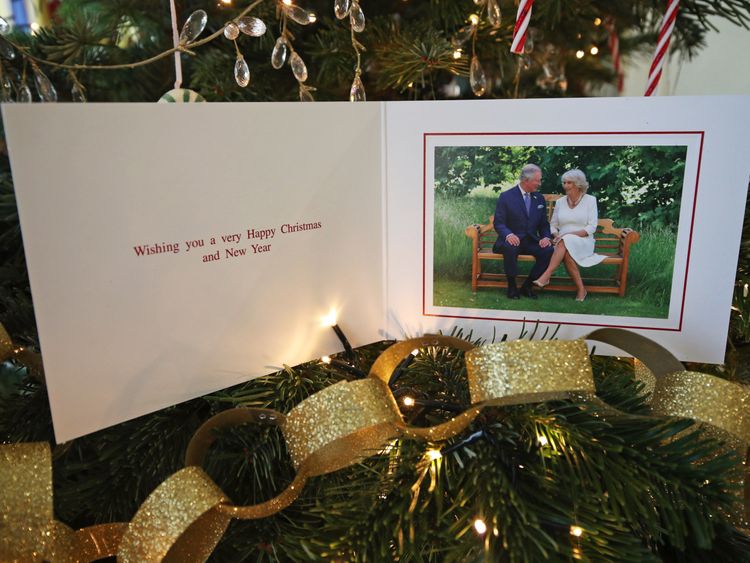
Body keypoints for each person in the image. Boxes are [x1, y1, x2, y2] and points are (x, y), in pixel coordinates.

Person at [532, 168, 604, 302]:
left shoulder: (590, 200)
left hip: (584, 241)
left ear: (578, 184)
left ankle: (546, 275)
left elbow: (591, 228)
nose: (565, 185)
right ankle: (581, 290)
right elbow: (552, 225)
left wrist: (567, 234)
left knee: (566, 239)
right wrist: (556, 234)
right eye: (564, 182)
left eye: (569, 183)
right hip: (562, 243)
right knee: (566, 253)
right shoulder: (560, 202)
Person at [492, 163, 553, 299]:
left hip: (530, 240)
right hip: (512, 240)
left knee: (548, 250)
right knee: (510, 247)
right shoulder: (506, 196)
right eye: (538, 180)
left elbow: (544, 224)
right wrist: (508, 234)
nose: (540, 183)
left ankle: (527, 286)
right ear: (526, 180)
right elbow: (499, 222)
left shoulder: (539, 198)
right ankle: (512, 287)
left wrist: (545, 237)